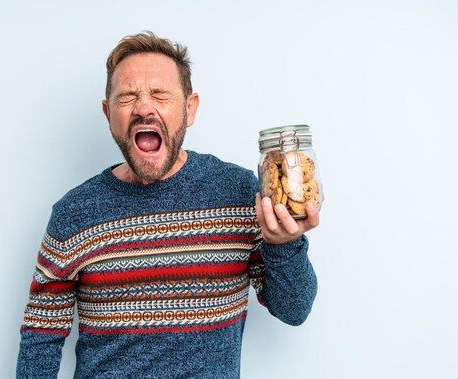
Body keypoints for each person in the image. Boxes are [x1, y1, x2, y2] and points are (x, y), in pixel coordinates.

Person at [16, 31, 319, 379]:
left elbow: (294, 310)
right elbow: (41, 338)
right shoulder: (73, 214)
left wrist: (285, 244)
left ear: (189, 109)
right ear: (108, 113)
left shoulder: (240, 194)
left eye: (160, 94)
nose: (144, 107)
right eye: (127, 96)